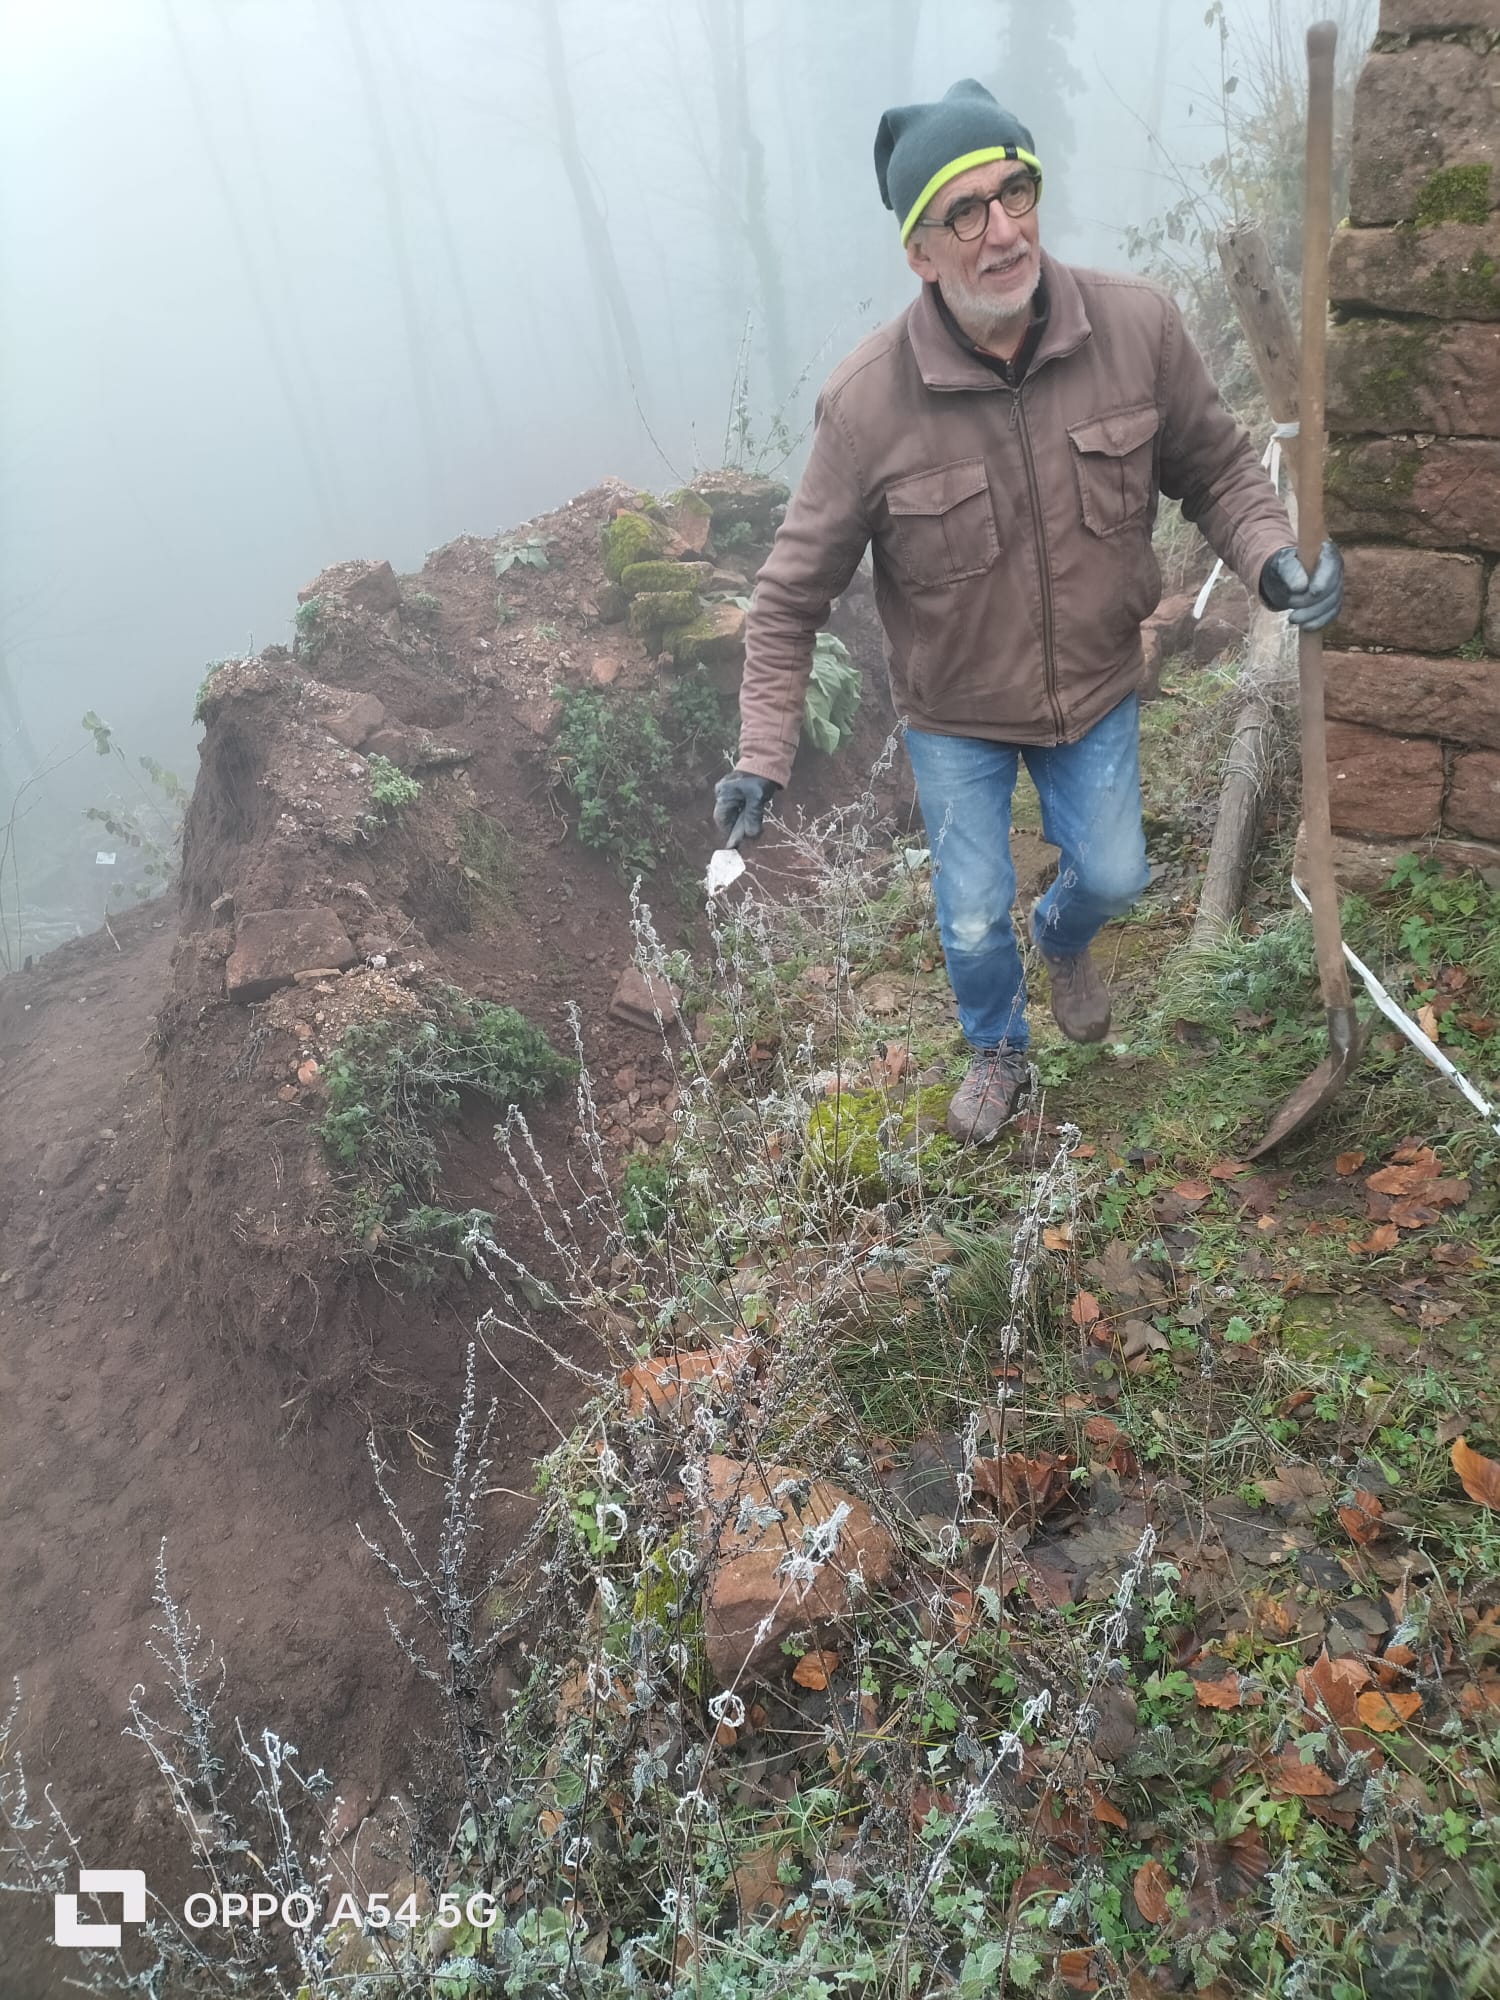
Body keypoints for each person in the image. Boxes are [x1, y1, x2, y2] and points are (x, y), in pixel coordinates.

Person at [713, 78, 1342, 1145]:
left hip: (1094, 685)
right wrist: (762, 755)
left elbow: (1221, 468)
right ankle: (998, 1047)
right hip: (954, 711)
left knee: (1117, 873)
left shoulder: (1136, 328)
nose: (1004, 230)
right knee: (967, 914)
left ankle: (1062, 933)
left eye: (1016, 193)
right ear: (921, 253)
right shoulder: (865, 406)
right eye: (966, 213)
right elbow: (786, 599)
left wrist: (1275, 559)